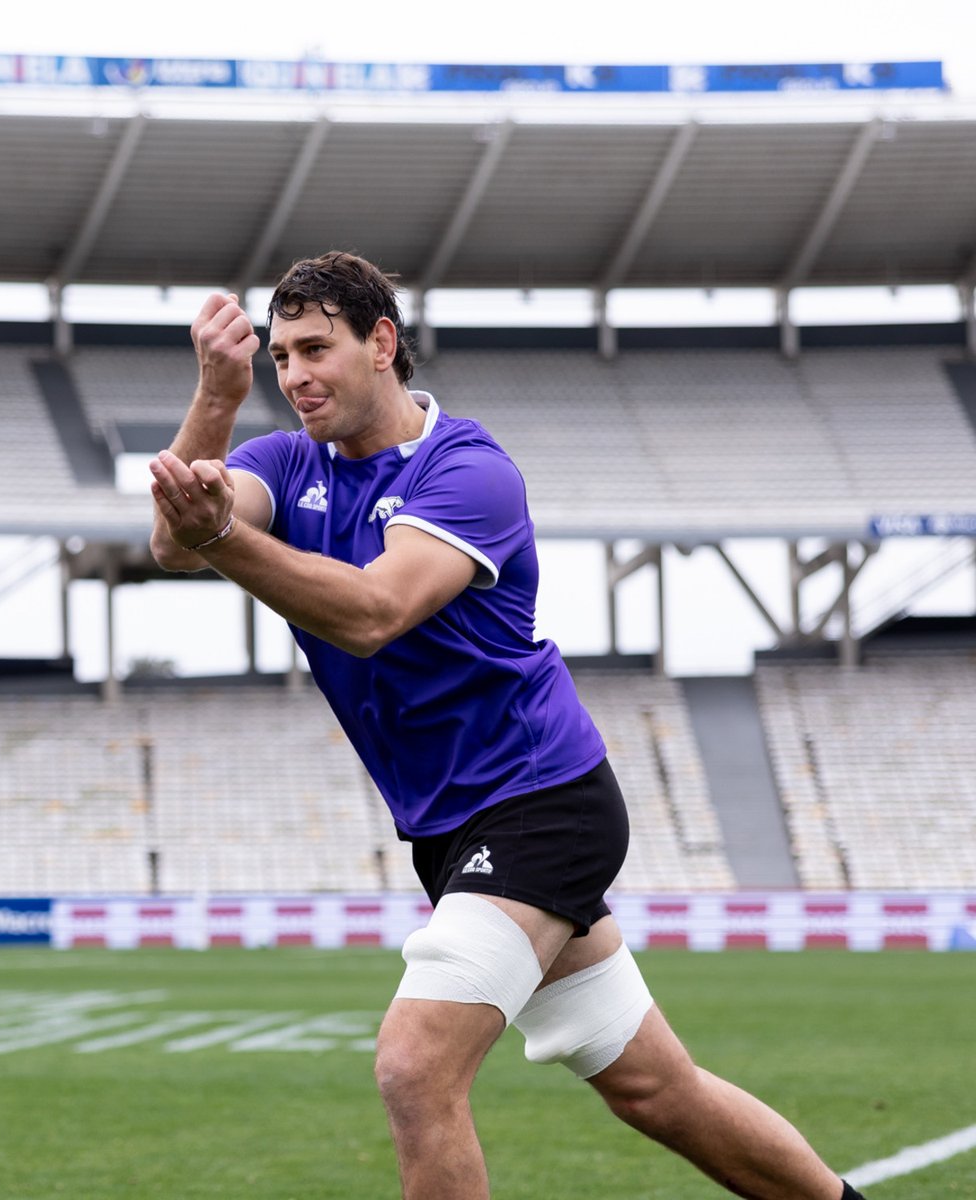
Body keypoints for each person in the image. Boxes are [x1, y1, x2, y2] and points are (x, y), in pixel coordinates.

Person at [148, 251, 868, 1200]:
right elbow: (174, 541)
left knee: (415, 1065)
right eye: (279, 356)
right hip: (453, 830)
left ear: (382, 343)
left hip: (540, 803)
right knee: (656, 1088)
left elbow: (371, 613)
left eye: (315, 348)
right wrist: (217, 394)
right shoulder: (287, 462)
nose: (296, 376)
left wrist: (226, 539)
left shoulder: (470, 470)